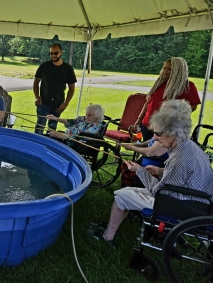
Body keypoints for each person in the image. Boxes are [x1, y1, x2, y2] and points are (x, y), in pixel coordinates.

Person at [88, 99, 213, 246]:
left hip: (181, 207)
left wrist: (140, 171)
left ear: (174, 134)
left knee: (121, 196)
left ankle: (107, 236)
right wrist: (160, 171)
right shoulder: (189, 146)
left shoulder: (179, 158)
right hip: (196, 203)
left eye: (158, 134)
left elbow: (159, 192)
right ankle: (112, 226)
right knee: (127, 191)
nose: (154, 137)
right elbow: (181, 178)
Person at [135, 57, 200, 141]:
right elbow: (148, 102)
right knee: (147, 152)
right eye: (164, 68)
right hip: (147, 125)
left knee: (162, 153)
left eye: (169, 69)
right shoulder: (160, 83)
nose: (165, 71)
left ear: (178, 71)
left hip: (168, 129)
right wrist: (139, 119)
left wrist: (173, 116)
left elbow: (193, 107)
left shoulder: (187, 86)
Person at [33, 43, 77, 134]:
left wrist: (65, 104)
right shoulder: (44, 66)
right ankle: (35, 146)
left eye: (55, 53)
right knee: (39, 127)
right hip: (43, 102)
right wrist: (37, 97)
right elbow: (36, 83)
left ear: (61, 52)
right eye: (51, 53)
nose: (53, 55)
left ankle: (48, 146)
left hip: (58, 103)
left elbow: (72, 88)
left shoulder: (68, 69)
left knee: (52, 129)